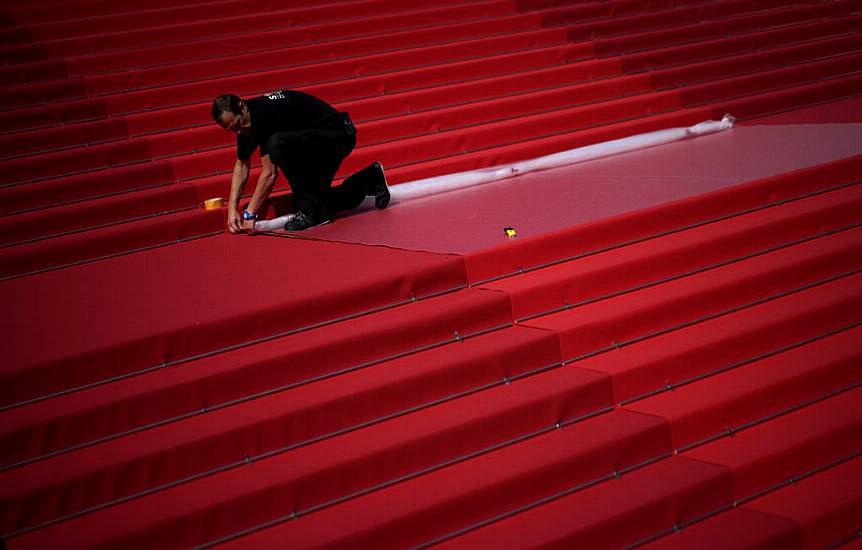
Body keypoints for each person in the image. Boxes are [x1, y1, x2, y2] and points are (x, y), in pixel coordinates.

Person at [211, 90, 389, 232]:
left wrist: (250, 214)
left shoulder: (263, 115)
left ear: (242, 106)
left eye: (238, 124)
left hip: (337, 134)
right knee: (322, 202)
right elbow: (241, 164)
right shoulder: (245, 125)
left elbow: (270, 174)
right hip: (315, 139)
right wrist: (232, 208)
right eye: (233, 130)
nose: (239, 132)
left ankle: (310, 210)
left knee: (277, 144)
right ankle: (370, 178)